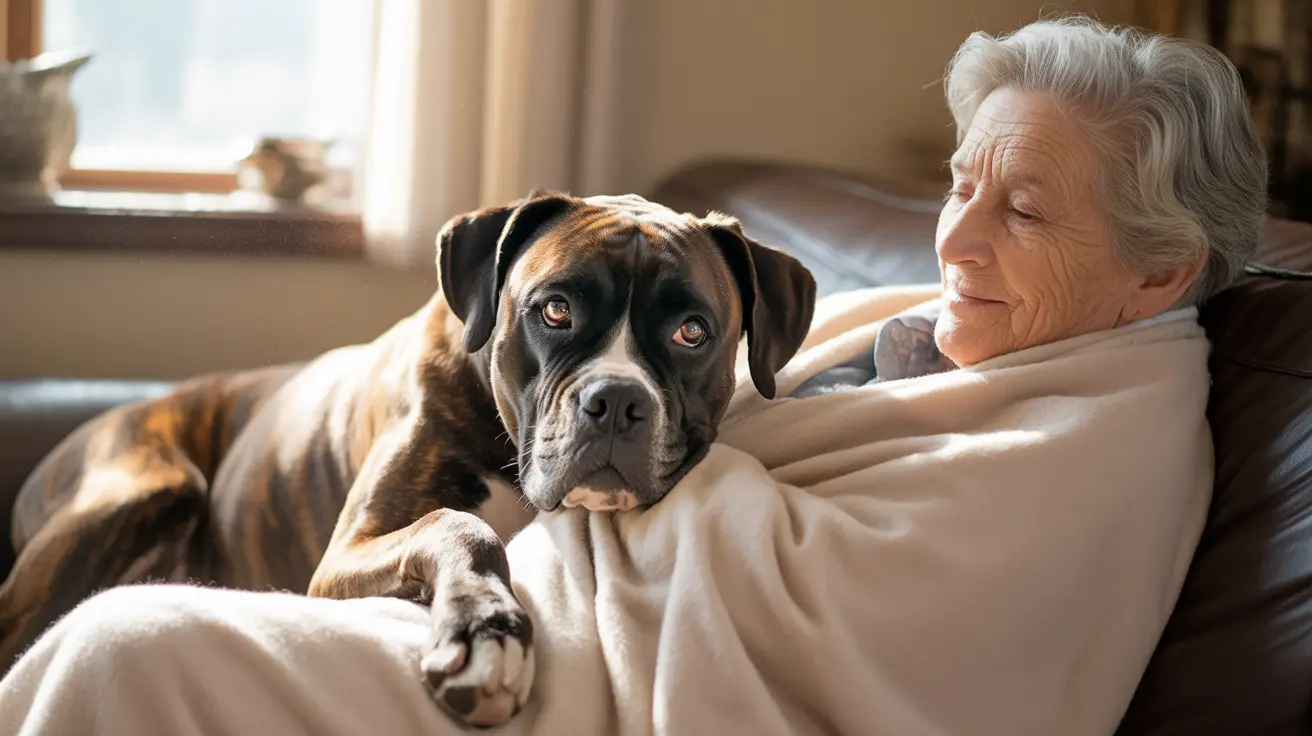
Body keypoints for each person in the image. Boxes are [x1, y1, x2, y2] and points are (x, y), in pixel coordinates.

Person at [0, 15, 1268, 736]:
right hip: (476, 617)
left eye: (1026, 212)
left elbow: (833, 636)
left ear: (1160, 274)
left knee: (127, 654)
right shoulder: (970, 332)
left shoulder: (1108, 443)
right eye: (958, 187)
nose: (953, 242)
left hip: (570, 675)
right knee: (113, 632)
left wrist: (629, 508)